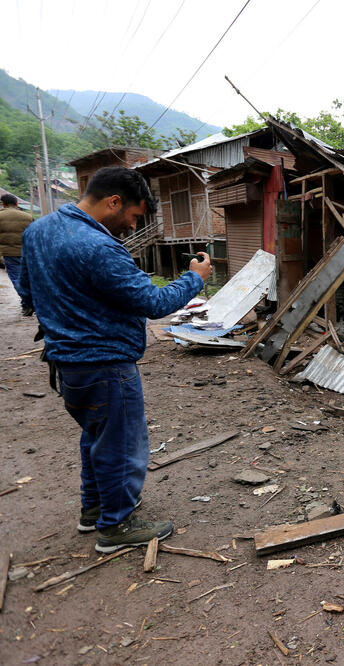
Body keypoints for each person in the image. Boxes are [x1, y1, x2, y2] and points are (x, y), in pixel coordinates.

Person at [19, 167, 212, 553]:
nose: (132, 225)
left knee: (96, 437)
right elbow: (153, 302)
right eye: (134, 216)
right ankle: (116, 526)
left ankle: (94, 510)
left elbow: (27, 293)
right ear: (113, 202)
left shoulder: (37, 232)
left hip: (67, 364)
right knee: (121, 445)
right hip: (105, 364)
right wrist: (195, 278)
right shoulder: (99, 246)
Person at [0, 192, 35, 315]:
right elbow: (33, 234)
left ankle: (28, 302)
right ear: (16, 204)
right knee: (29, 278)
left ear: (3, 204)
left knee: (16, 279)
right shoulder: (28, 216)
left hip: (9, 253)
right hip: (27, 253)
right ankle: (27, 303)